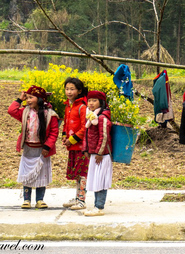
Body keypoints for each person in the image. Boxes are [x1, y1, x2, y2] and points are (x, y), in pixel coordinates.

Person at [8, 85, 59, 209]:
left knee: (41, 173)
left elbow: (54, 132)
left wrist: (47, 147)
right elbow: (11, 111)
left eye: (31, 97)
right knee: (27, 173)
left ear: (40, 99)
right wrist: (19, 99)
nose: (28, 100)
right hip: (28, 148)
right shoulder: (25, 112)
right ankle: (26, 199)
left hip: (42, 149)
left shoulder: (50, 115)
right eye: (27, 98)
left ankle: (40, 199)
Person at [82, 90, 112, 217]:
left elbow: (104, 136)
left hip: (102, 155)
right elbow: (86, 135)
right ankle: (96, 205)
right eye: (89, 100)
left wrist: (100, 152)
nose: (91, 103)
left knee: (101, 181)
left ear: (101, 102)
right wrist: (85, 149)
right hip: (94, 154)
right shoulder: (90, 117)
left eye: (94, 100)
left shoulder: (102, 118)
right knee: (95, 180)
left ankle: (99, 207)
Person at [61, 77, 89, 211]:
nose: (69, 92)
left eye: (72, 89)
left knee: (83, 173)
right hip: (72, 146)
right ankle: (77, 197)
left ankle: (82, 199)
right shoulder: (68, 106)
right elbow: (65, 124)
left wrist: (71, 139)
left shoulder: (83, 107)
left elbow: (85, 128)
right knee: (77, 173)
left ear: (79, 91)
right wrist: (64, 137)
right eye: (67, 89)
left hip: (81, 147)